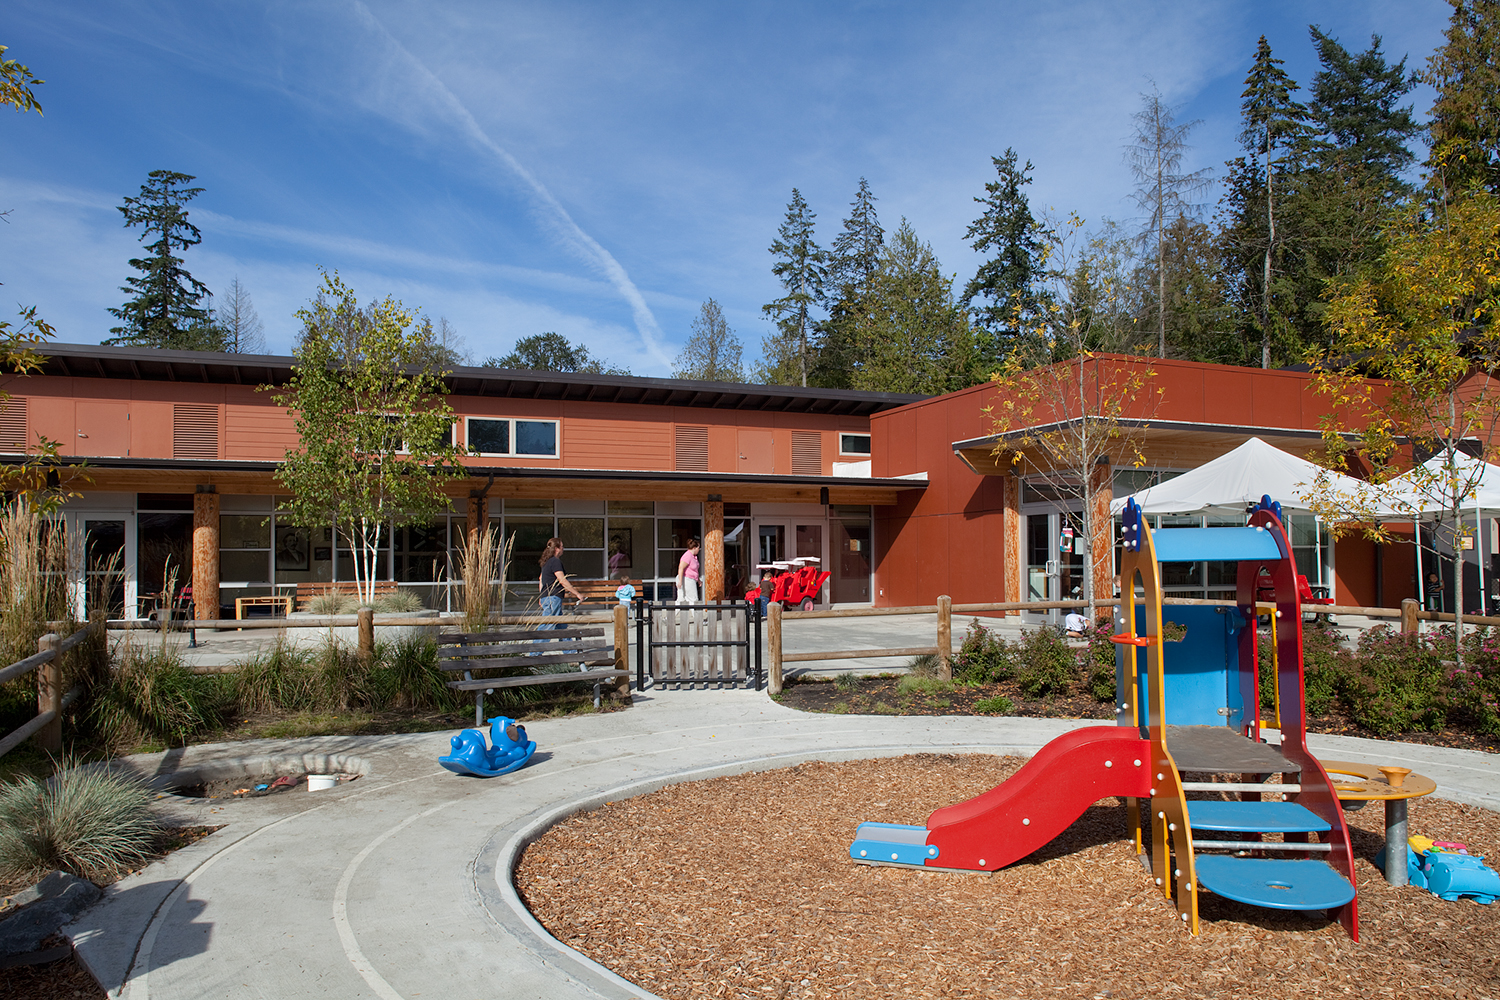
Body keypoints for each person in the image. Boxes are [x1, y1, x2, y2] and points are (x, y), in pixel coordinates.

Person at [538, 537, 584, 628]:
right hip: (553, 597)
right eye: (562, 546)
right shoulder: (555, 561)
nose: (563, 548)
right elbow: (562, 580)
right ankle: (539, 638)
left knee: (561, 625)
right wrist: (577, 594)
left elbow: (541, 579)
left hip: (546, 597)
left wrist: (542, 595)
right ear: (556, 549)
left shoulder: (546, 562)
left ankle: (565, 637)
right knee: (548, 625)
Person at [676, 537, 701, 604]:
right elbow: (681, 568)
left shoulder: (694, 557)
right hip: (687, 579)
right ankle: (692, 610)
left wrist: (698, 580)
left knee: (691, 599)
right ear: (694, 548)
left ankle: (691, 610)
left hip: (692, 579)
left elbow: (694, 570)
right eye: (698, 548)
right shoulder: (687, 556)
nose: (699, 550)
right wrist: (680, 581)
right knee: (693, 599)